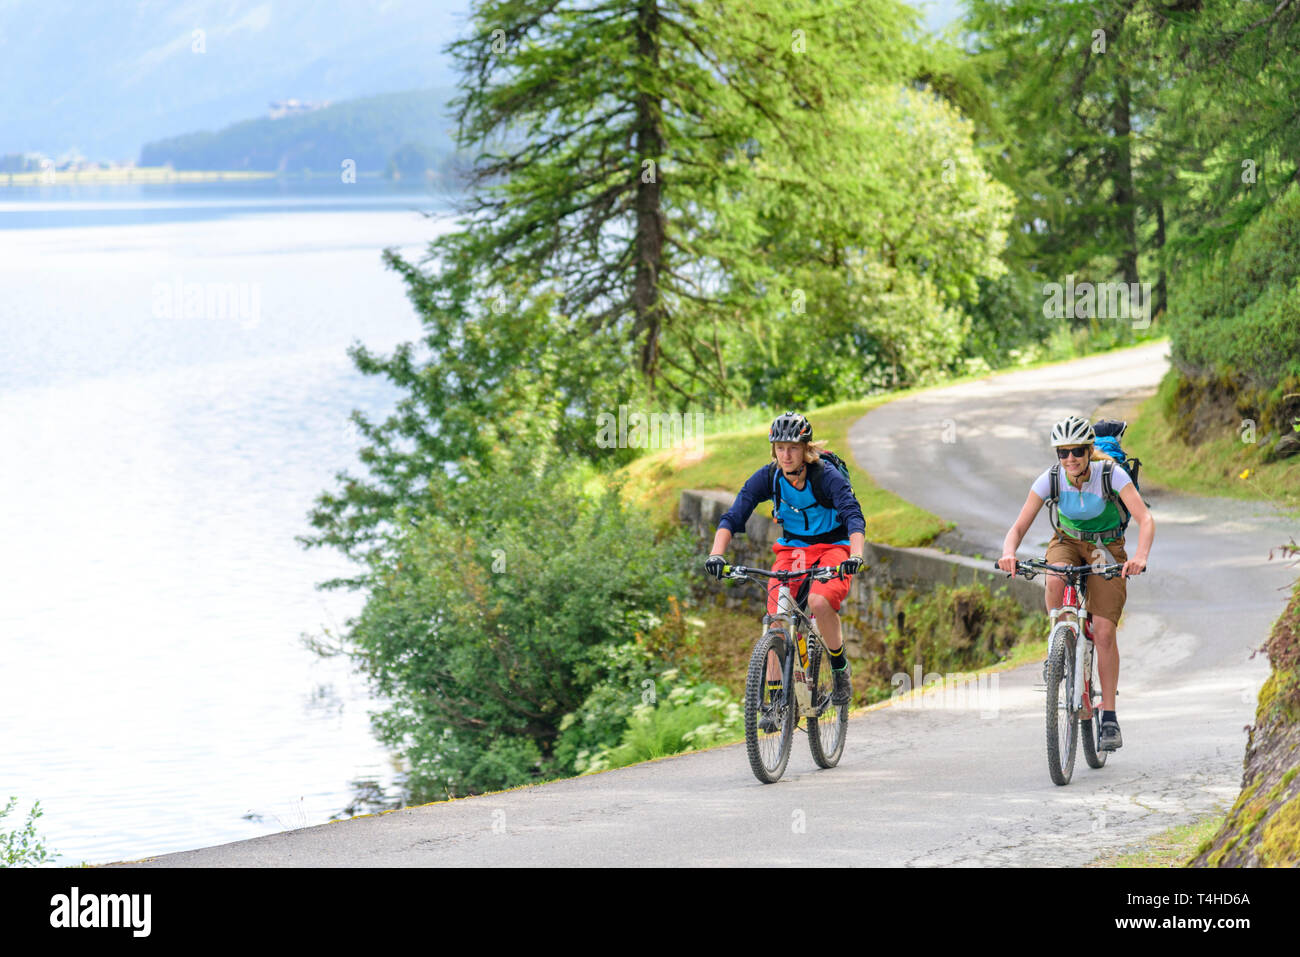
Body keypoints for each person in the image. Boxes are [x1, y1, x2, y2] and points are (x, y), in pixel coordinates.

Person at [997, 415, 1154, 751]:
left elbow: (1145, 518)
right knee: (1054, 577)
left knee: (1104, 629)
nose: (1070, 459)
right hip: (1067, 541)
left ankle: (1109, 716)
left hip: (1103, 548)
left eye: (1077, 452)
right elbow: (1018, 526)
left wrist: (1139, 556)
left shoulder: (1110, 474)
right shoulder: (1051, 479)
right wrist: (1009, 553)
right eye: (1063, 453)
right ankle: (1059, 648)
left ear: (1088, 451)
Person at [704, 412, 867, 726]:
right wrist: (716, 555)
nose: (786, 455)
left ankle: (839, 667)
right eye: (780, 448)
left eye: (792, 447)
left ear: (805, 448)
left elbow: (853, 516)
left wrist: (855, 555)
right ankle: (777, 701)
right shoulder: (769, 477)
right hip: (793, 550)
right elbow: (733, 516)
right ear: (773, 450)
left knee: (819, 602)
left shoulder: (825, 476)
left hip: (835, 548)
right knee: (777, 618)